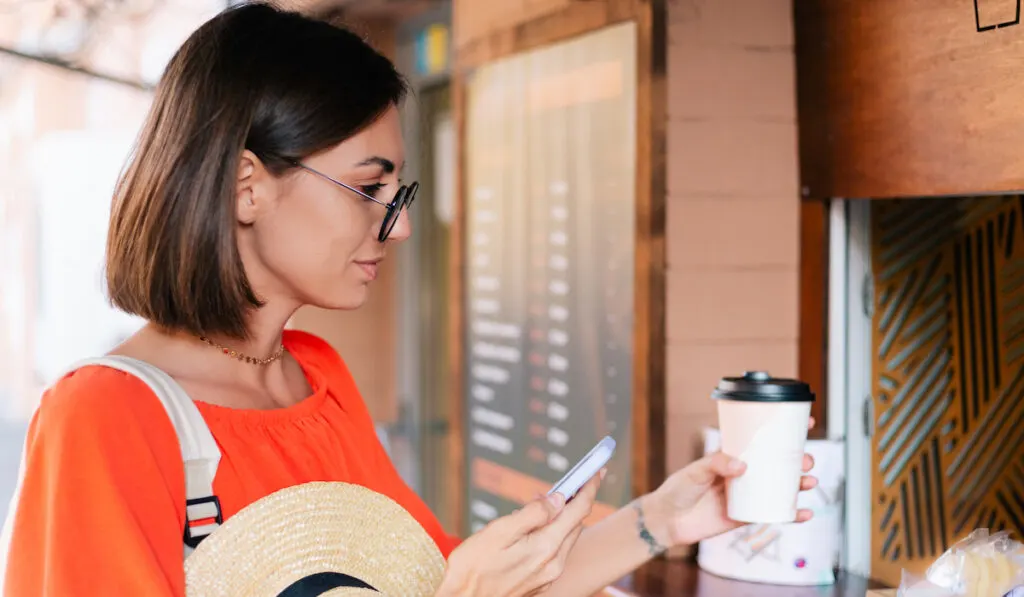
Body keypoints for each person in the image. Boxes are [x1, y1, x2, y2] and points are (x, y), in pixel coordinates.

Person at [0, 3, 818, 596]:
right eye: (369, 188)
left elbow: (433, 574)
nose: (400, 227)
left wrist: (661, 519)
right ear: (247, 184)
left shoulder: (315, 379)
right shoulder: (105, 418)